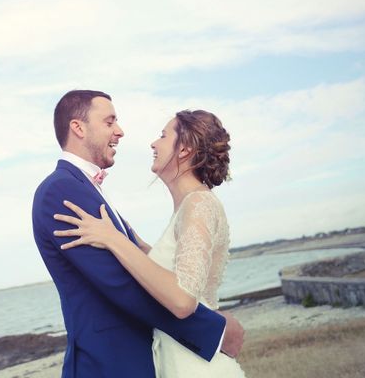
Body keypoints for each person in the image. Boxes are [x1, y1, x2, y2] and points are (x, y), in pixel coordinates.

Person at [32, 90, 244, 378]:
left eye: (163, 136)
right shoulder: (62, 190)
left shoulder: (87, 190)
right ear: (78, 128)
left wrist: (121, 241)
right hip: (108, 364)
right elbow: (121, 283)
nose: (120, 131)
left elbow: (148, 276)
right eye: (109, 122)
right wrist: (213, 330)